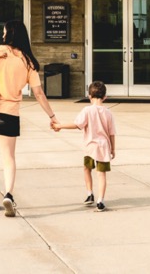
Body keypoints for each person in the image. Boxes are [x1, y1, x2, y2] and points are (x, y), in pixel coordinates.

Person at [0, 19, 58, 217]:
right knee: (8, 157)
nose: (2, 35)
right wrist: (52, 116)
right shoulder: (27, 61)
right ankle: (9, 193)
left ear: (8, 34)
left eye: (3, 32)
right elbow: (39, 94)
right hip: (10, 112)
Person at [52, 80, 116, 212]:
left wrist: (59, 126)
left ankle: (89, 194)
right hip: (103, 148)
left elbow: (77, 125)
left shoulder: (87, 110)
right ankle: (100, 201)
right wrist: (113, 149)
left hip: (90, 147)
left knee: (87, 169)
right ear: (105, 97)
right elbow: (112, 133)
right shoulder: (108, 112)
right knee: (101, 174)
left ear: (89, 97)